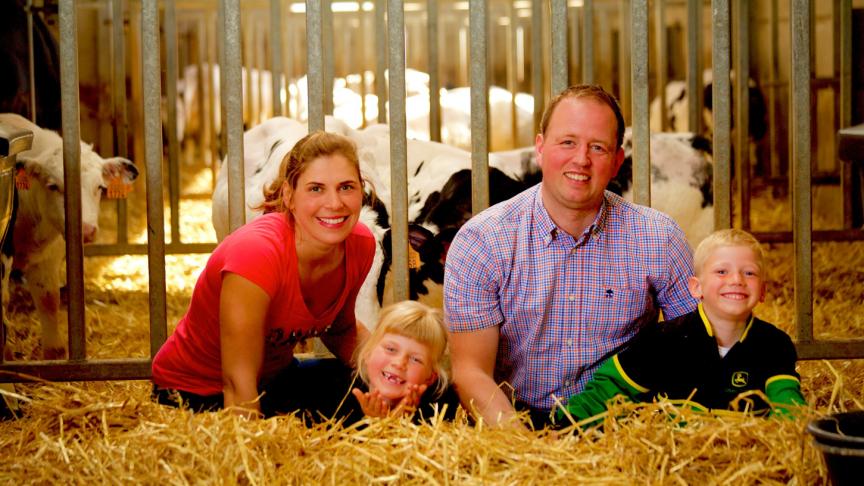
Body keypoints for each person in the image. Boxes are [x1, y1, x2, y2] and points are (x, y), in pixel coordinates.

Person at [444, 84, 698, 428]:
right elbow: (471, 371)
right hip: (513, 418)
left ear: (617, 161)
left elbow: (700, 341)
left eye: (598, 147)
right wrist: (522, 448)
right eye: (567, 142)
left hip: (627, 427)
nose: (581, 159)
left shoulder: (659, 238)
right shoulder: (482, 241)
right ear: (540, 148)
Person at [151, 131, 376, 419]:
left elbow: (341, 329)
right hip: (197, 393)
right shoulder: (257, 254)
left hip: (274, 381)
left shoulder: (360, 244)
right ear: (288, 196)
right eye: (316, 189)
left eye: (346, 187)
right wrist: (259, 450)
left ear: (361, 191)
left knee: (423, 396)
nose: (334, 203)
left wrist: (386, 373)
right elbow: (237, 382)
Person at [556, 229, 806, 426]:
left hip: (748, 463)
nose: (736, 280)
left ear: (762, 291)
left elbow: (789, 409)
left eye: (749, 273)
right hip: (673, 462)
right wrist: (564, 428)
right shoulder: (663, 340)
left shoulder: (774, 344)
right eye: (721, 271)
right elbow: (606, 392)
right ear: (696, 287)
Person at [346, 300, 459, 423]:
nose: (399, 363)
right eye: (391, 349)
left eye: (415, 359)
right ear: (368, 353)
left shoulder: (442, 410)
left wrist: (402, 424)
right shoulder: (338, 396)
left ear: (430, 378)